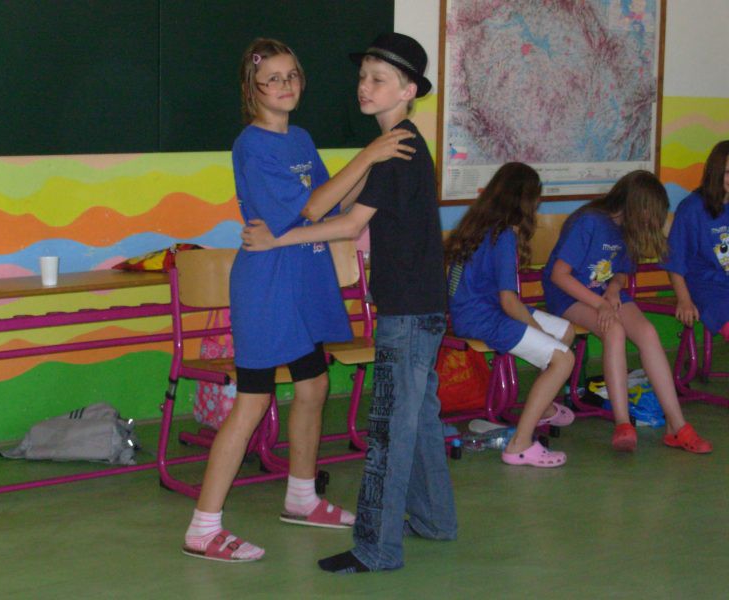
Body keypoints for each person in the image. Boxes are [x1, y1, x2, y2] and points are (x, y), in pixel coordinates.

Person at [182, 38, 417, 563]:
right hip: (268, 286)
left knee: (313, 385)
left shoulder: (301, 138)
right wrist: (370, 154)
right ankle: (203, 526)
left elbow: (334, 198)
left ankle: (302, 497)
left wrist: (375, 166)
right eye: (273, 79)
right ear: (253, 88)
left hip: (305, 279)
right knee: (253, 400)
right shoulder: (251, 145)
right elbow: (309, 207)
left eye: (292, 76)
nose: (285, 86)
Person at [242, 32, 456, 573]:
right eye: (363, 77)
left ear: (408, 90)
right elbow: (343, 207)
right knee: (420, 419)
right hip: (420, 303)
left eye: (379, 79)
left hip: (409, 309)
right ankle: (435, 519)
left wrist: (277, 239)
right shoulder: (395, 146)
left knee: (389, 428)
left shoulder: (396, 150)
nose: (365, 86)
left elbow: (347, 223)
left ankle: (376, 548)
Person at [542, 170, 712, 454]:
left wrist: (612, 289)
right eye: (649, 214)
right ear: (635, 205)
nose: (650, 222)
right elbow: (559, 276)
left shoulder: (626, 228)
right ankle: (622, 423)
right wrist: (600, 304)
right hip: (568, 295)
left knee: (647, 332)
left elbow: (620, 271)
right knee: (614, 331)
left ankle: (677, 425)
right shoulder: (589, 221)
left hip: (603, 293)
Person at [445, 163, 575, 468]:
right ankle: (520, 445)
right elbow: (509, 301)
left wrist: (543, 332)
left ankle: (541, 409)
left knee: (566, 332)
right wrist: (538, 331)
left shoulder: (479, 225)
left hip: (477, 309)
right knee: (563, 359)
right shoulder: (502, 235)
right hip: (482, 317)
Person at [664, 140, 729, 341]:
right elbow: (675, 260)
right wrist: (684, 300)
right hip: (707, 287)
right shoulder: (692, 208)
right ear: (716, 173)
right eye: (728, 172)